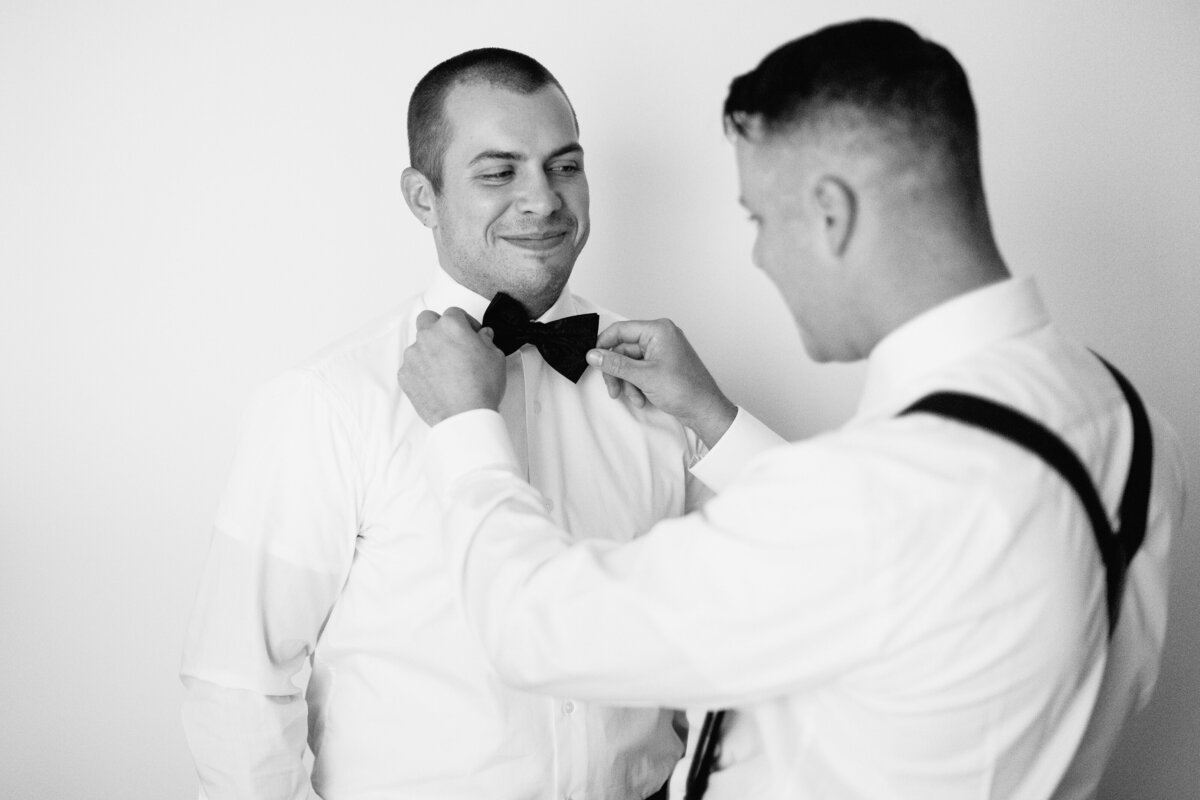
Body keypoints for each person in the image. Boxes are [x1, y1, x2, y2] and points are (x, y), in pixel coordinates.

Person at [397, 20, 1187, 800]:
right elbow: (893, 564)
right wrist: (712, 415)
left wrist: (468, 429)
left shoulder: (870, 497)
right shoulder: (1124, 416)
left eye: (759, 218)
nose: (760, 255)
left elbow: (535, 630)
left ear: (831, 212)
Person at [180, 47, 740, 800]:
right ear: (422, 196)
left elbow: (743, 615)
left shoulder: (659, 382)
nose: (543, 201)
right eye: (498, 172)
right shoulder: (328, 401)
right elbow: (238, 685)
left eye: (564, 166)